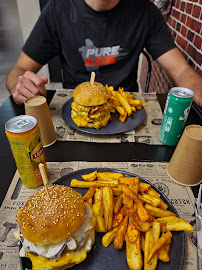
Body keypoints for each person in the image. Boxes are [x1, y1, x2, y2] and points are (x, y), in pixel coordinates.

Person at [6, 0, 202, 107]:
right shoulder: (58, 9)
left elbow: (181, 71)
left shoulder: (146, 11)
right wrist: (20, 85)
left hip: (126, 110)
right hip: (75, 107)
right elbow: (19, 69)